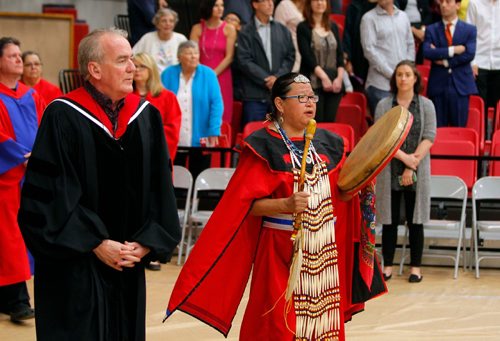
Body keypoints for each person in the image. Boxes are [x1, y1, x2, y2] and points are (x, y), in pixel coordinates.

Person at [165, 72, 386, 340]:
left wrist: (361, 186)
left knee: (324, 322)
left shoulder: (330, 143)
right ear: (280, 104)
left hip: (325, 251)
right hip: (280, 252)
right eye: (301, 97)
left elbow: (343, 194)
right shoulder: (262, 145)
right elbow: (245, 206)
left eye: (312, 97)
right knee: (276, 324)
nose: (310, 103)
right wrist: (286, 204)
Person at [18, 28, 181, 340]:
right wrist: (95, 242)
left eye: (132, 59)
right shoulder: (62, 115)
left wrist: (146, 242)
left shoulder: (146, 118)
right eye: (122, 61)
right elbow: (48, 196)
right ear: (94, 69)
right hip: (75, 266)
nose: (133, 67)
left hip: (128, 264)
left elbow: (160, 189)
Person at [375, 60, 436, 282]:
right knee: (389, 221)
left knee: (415, 220)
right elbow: (381, 138)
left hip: (418, 169)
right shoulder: (383, 105)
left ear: (415, 79)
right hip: (390, 168)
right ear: (395, 79)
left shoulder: (426, 105)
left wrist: (412, 163)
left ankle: (415, 268)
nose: (403, 78)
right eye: (399, 74)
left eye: (407, 74)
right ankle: (388, 266)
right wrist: (404, 159)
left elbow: (429, 136)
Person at [0, 37, 44, 324]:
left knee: (22, 238)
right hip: (6, 179)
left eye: (20, 55)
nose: (19, 60)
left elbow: (45, 128)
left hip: (33, 177)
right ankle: (18, 301)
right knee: (10, 238)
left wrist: (40, 156)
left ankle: (9, 298)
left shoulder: (32, 95)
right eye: (13, 56)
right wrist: (20, 155)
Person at [161, 40, 223, 178]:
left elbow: (216, 104)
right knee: (174, 173)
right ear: (179, 57)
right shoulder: (168, 74)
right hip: (174, 133)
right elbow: (161, 102)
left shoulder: (208, 74)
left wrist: (214, 129)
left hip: (201, 133)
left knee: (199, 173)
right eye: (189, 53)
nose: (194, 56)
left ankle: (196, 199)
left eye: (196, 53)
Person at [236, 0, 295, 126]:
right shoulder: (245, 32)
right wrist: (266, 79)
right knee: (254, 136)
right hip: (254, 95)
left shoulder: (283, 30)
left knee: (281, 138)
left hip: (279, 95)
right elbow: (243, 60)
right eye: (265, 1)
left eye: (271, 1)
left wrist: (277, 78)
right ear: (255, 4)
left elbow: (290, 57)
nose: (270, 4)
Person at [423, 0, 477, 127]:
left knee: (459, 129)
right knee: (437, 130)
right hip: (438, 85)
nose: (443, 5)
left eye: (448, 2)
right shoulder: (432, 29)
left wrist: (445, 61)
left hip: (460, 86)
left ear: (458, 5)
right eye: (441, 2)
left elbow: (469, 54)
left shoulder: (469, 29)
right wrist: (453, 50)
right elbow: (427, 52)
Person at [360, 0, 415, 115]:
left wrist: (406, 70)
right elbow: (369, 51)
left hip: (403, 84)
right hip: (380, 85)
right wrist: (394, 74)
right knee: (384, 129)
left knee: (405, 127)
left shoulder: (403, 16)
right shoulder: (368, 18)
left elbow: (410, 44)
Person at [297, 0, 345, 122]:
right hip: (313, 82)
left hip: (334, 82)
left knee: (330, 122)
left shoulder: (333, 26)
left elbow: (339, 55)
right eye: (316, 0)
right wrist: (323, 77)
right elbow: (307, 57)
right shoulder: (303, 27)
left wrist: (339, 78)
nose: (320, 3)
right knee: (315, 122)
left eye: (323, 0)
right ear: (309, 4)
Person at [190, 0, 237, 124]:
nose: (220, 8)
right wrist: (203, 73)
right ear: (208, 6)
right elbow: (192, 54)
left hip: (222, 77)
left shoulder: (229, 28)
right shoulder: (197, 28)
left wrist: (212, 74)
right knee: (201, 112)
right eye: (216, 5)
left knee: (221, 113)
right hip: (199, 75)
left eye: (222, 5)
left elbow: (230, 56)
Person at [133, 52, 181, 161]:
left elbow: (173, 130)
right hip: (132, 154)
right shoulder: (124, 97)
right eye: (134, 66)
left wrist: (145, 134)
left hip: (157, 154)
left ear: (151, 70)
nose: (137, 69)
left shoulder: (168, 97)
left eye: (142, 66)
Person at [466, 0, 500, 121]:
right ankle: (482, 137)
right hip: (479, 62)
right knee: (481, 105)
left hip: (498, 62)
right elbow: (469, 35)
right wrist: (472, 61)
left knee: (498, 107)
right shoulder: (475, 3)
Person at [132, 8, 187, 74]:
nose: (168, 24)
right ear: (157, 23)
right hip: (153, 79)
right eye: (164, 21)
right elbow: (134, 55)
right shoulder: (148, 38)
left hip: (176, 78)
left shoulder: (181, 39)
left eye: (171, 21)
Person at [274, 0, 305, 72]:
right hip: (291, 54)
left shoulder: (310, 5)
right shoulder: (284, 5)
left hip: (307, 54)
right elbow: (277, 34)